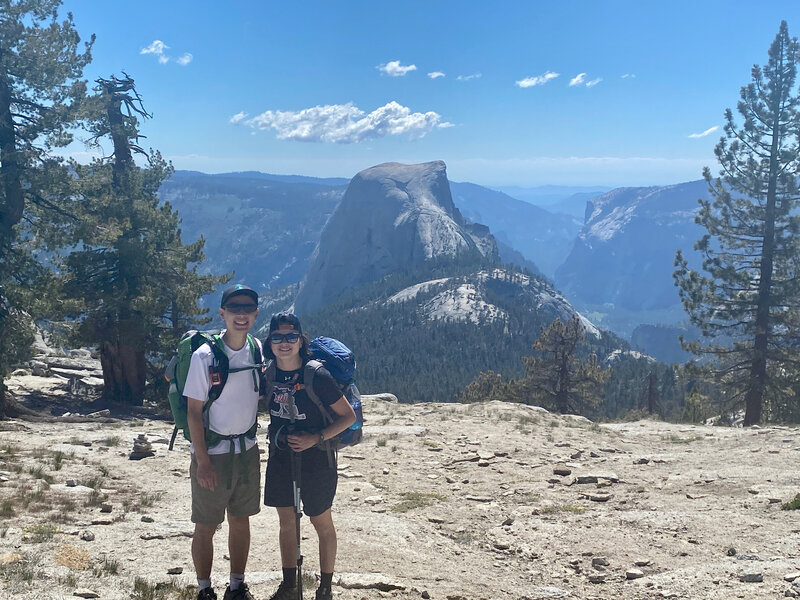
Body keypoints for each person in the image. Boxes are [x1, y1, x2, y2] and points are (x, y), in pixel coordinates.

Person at [264, 313, 356, 600]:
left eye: (291, 337)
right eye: (277, 337)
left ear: (301, 341)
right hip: (281, 457)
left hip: (318, 459)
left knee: (320, 520)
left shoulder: (317, 375)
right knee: (286, 520)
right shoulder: (268, 374)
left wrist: (315, 438)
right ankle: (289, 583)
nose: (284, 343)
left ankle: (325, 587)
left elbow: (347, 417)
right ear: (270, 342)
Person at [184, 284, 263, 600]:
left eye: (247, 309)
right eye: (235, 309)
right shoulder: (205, 356)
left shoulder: (256, 349)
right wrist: (202, 461)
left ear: (255, 314)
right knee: (206, 524)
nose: (241, 315)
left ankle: (236, 585)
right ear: (223, 313)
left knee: (240, 520)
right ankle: (205, 588)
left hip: (246, 450)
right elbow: (193, 412)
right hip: (214, 454)